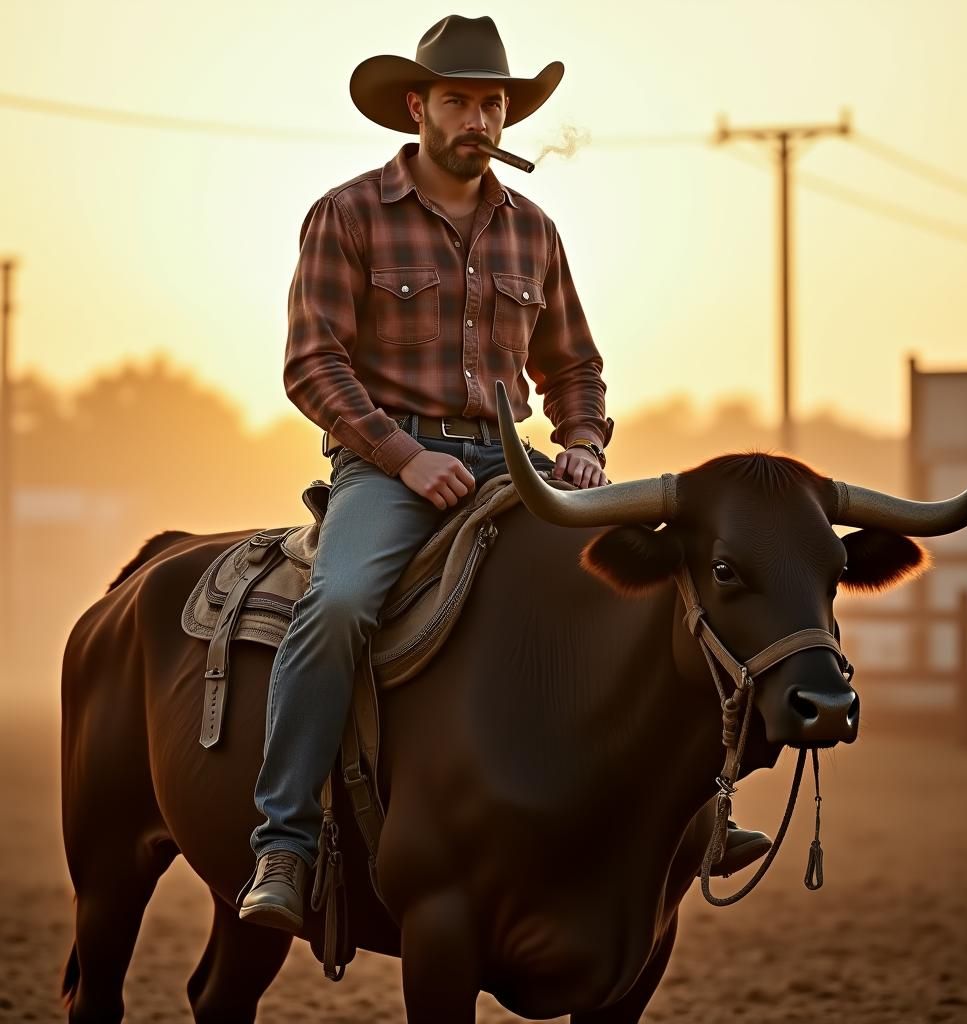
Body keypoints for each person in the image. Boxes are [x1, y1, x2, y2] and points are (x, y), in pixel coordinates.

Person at [239, 14, 767, 933]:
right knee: (337, 605)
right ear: (418, 107)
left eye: (493, 103)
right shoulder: (348, 213)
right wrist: (404, 456)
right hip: (388, 464)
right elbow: (311, 365)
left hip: (521, 468)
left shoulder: (533, 230)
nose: (479, 118)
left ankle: (703, 811)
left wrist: (585, 443)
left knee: (649, 592)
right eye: (459, 101)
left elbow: (576, 367)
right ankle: (283, 843)